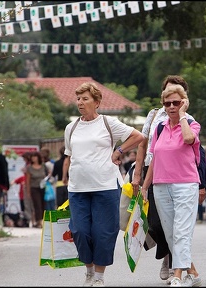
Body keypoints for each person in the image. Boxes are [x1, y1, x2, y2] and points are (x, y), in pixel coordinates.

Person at [62, 82, 144, 287]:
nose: (80, 102)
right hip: (78, 188)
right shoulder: (71, 128)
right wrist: (66, 178)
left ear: (97, 102)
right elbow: (69, 156)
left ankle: (99, 277)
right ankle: (88, 272)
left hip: (106, 186)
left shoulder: (108, 123)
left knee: (103, 232)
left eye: (85, 99)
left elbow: (138, 136)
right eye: (78, 99)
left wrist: (119, 151)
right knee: (80, 231)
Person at [131, 75, 195, 283]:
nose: (171, 106)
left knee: (180, 230)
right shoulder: (158, 127)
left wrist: (183, 115)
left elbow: (188, 140)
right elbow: (154, 157)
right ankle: (191, 271)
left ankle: (177, 275)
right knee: (165, 230)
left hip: (185, 183)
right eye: (167, 103)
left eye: (176, 102)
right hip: (159, 183)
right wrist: (143, 183)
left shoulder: (191, 123)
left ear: (184, 102)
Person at [25, 151, 47, 228]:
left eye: (35, 156)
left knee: (43, 204)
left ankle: (43, 219)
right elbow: (27, 180)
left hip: (43, 187)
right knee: (37, 204)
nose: (33, 158)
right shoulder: (29, 168)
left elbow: (47, 175)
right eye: (32, 157)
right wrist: (28, 191)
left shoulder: (43, 166)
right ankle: (39, 221)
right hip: (34, 188)